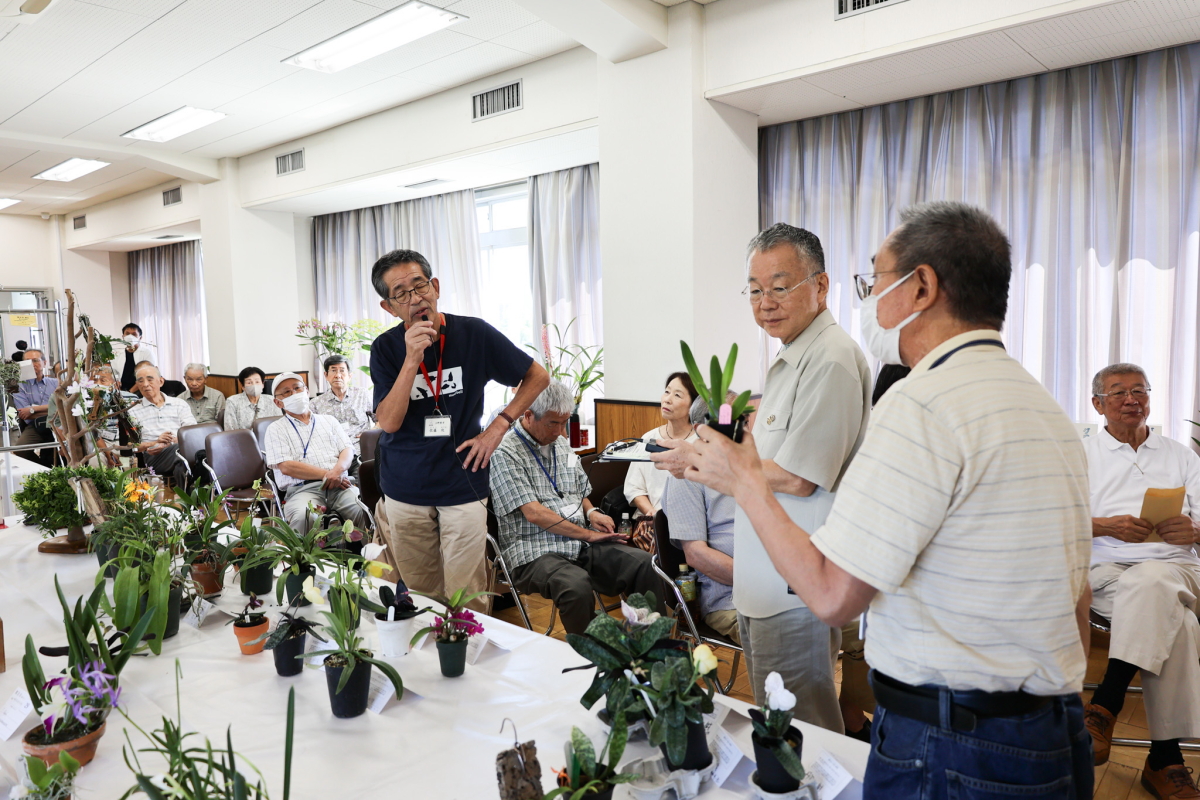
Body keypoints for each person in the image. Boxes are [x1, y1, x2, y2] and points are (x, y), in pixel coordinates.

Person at [664, 201, 1094, 796]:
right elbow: (1078, 599)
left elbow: (834, 595)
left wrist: (742, 479)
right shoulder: (1047, 409)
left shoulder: (920, 405)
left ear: (921, 287)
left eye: (876, 280)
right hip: (1050, 729)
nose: (868, 301)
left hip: (952, 743)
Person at [656, 223, 871, 733]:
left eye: (780, 286)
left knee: (801, 730)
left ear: (820, 286)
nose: (765, 302)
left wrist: (709, 465)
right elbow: (768, 464)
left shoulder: (831, 358)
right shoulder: (792, 356)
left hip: (791, 584)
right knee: (777, 720)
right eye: (754, 290)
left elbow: (801, 479)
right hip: (761, 577)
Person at [370, 248, 549, 612]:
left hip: (463, 479)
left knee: (467, 592)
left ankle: (467, 660)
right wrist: (411, 360)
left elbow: (537, 376)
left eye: (419, 285)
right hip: (405, 485)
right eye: (401, 293)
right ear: (389, 308)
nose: (414, 297)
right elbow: (387, 421)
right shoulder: (386, 349)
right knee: (421, 593)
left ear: (435, 287)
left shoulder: (474, 334)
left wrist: (500, 425)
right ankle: (431, 664)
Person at [1082, 363, 1200, 797]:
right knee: (1181, 624)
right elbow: (1051, 519)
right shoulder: (1080, 455)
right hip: (1108, 572)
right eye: (1118, 393)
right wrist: (1104, 526)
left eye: (1139, 391)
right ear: (1098, 404)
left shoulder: (1181, 455)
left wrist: (1195, 531)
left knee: (1154, 579)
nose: (1131, 399)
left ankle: (1105, 704)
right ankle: (1165, 759)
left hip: (1180, 569)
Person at [489, 381, 664, 634]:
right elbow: (534, 513)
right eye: (553, 423)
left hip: (578, 541)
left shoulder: (559, 442)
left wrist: (592, 512)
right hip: (533, 549)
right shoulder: (505, 452)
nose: (562, 432)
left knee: (644, 564)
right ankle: (591, 660)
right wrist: (589, 534)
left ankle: (649, 646)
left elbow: (576, 490)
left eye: (565, 422)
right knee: (575, 585)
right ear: (528, 415)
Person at [660, 395, 738, 644]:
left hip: (780, 586)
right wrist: (760, 578)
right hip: (730, 598)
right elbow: (697, 555)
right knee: (801, 638)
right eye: (729, 421)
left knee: (859, 627)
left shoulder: (749, 468)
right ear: (700, 430)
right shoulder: (685, 477)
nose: (741, 429)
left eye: (743, 420)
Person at [264, 373, 368, 536]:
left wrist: (338, 471)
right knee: (303, 517)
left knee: (363, 510)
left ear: (307, 391)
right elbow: (286, 466)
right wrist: (328, 475)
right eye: (287, 392)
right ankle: (305, 561)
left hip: (341, 485)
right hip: (303, 490)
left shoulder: (329, 420)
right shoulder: (275, 429)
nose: (294, 394)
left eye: (297, 388)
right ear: (278, 402)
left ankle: (366, 559)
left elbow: (347, 450)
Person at [624, 373, 699, 516]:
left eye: (677, 395)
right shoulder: (649, 438)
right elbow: (634, 488)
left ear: (693, 406)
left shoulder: (701, 442)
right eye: (667, 392)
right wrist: (653, 515)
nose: (667, 399)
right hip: (652, 521)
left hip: (689, 521)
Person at [127, 362, 195, 485]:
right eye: (140, 381)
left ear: (161, 382)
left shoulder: (179, 404)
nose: (145, 384)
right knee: (186, 452)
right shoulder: (132, 410)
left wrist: (173, 441)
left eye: (150, 379)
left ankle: (187, 498)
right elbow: (132, 445)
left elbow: (191, 433)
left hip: (180, 450)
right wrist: (156, 442)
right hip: (155, 457)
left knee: (182, 463)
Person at [311, 354, 373, 455]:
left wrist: (369, 434)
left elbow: (381, 420)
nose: (338, 375)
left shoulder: (363, 394)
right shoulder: (315, 404)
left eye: (342, 370)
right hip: (332, 453)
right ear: (326, 375)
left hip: (361, 449)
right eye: (333, 370)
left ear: (350, 375)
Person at [13, 348, 60, 465]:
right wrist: (52, 409)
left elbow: (62, 407)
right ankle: (42, 468)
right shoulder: (19, 386)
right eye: (28, 361)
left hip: (58, 423)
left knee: (66, 448)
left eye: (35, 360)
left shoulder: (55, 383)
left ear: (44, 362)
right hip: (35, 425)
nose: (32, 364)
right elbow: (24, 414)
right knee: (20, 449)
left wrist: (33, 409)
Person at [110, 324, 155, 392]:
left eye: (134, 334)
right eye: (127, 334)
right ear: (123, 337)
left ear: (140, 337)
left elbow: (147, 375)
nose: (130, 337)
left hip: (141, 390)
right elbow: (113, 373)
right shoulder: (118, 354)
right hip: (121, 391)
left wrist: (130, 393)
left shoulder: (146, 353)